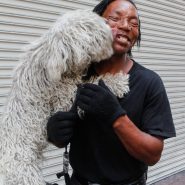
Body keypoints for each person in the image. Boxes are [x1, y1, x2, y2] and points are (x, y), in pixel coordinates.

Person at [47, 0, 176, 185]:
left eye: (134, 23)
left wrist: (115, 116)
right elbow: (59, 135)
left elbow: (153, 154)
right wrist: (54, 134)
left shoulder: (149, 82)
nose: (125, 26)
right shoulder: (75, 75)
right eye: (115, 18)